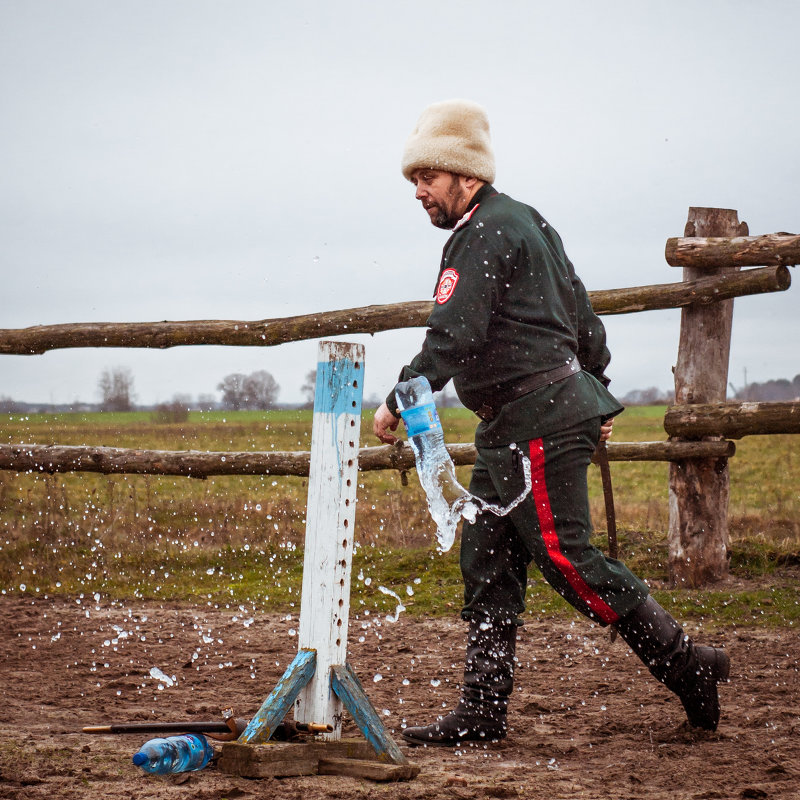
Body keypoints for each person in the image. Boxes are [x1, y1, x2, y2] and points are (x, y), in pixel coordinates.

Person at [373, 99, 730, 747]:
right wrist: (597, 389)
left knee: (567, 559)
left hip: (538, 421)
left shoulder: (482, 234)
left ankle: (689, 666)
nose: (418, 190)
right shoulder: (527, 221)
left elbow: (453, 337)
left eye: (428, 176)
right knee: (487, 558)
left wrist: (399, 399)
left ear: (467, 176)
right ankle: (482, 712)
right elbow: (584, 317)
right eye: (413, 179)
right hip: (514, 425)